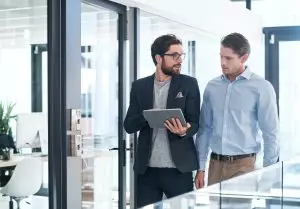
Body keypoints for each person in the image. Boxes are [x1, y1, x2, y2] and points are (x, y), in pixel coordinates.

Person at [124, 34, 200, 208]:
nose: (180, 60)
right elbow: (128, 125)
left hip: (179, 169)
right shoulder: (139, 86)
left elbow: (195, 122)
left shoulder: (189, 84)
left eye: (181, 55)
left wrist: (185, 131)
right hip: (147, 171)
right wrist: (147, 116)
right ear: (159, 58)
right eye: (174, 56)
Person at [194, 32, 279, 189]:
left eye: (228, 58)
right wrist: (200, 168)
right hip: (215, 165)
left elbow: (270, 133)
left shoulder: (261, 87)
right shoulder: (212, 87)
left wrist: (268, 174)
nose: (222, 62)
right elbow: (204, 129)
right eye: (221, 56)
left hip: (244, 166)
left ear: (244, 58)